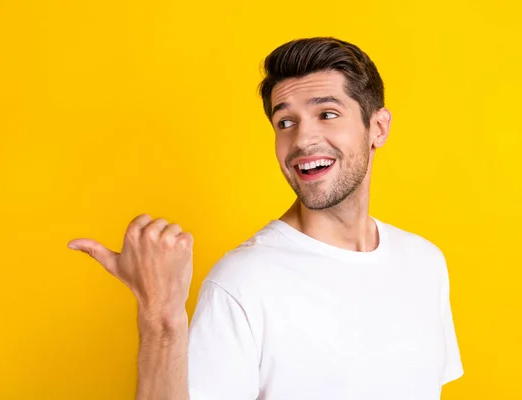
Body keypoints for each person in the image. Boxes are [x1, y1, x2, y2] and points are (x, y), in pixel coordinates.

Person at [67, 37, 464, 399]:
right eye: (285, 122)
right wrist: (161, 319)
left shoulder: (425, 262)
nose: (302, 140)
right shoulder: (241, 284)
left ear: (377, 127)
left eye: (327, 114)